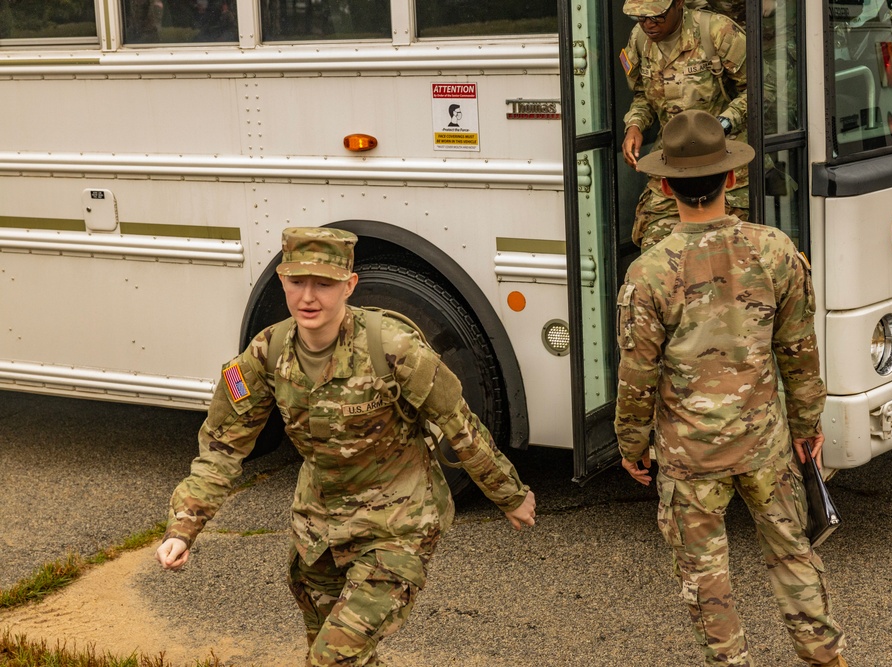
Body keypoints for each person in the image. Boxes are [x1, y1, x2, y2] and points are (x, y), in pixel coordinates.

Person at [156, 227, 537, 666]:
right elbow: (222, 450)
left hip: (397, 526)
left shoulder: (393, 347)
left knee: (332, 659)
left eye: (324, 283)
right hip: (319, 536)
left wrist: (509, 495)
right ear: (282, 281)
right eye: (297, 282)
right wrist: (183, 528)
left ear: (349, 285)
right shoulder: (266, 354)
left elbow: (460, 425)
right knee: (341, 655)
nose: (308, 296)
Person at [614, 110, 847, 667]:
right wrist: (808, 427)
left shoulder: (648, 273)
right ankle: (826, 659)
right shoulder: (775, 250)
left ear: (664, 185)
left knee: (706, 580)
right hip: (765, 442)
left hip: (688, 455)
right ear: (734, 178)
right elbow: (799, 352)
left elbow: (637, 378)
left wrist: (631, 446)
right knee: (794, 556)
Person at [620, 0, 749, 252]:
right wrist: (634, 125)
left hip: (722, 165)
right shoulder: (639, 40)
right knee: (655, 249)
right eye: (640, 18)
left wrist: (724, 123)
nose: (648, 24)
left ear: (678, 4)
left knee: (723, 253)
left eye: (656, 17)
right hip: (673, 164)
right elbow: (643, 96)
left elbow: (760, 89)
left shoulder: (716, 31)